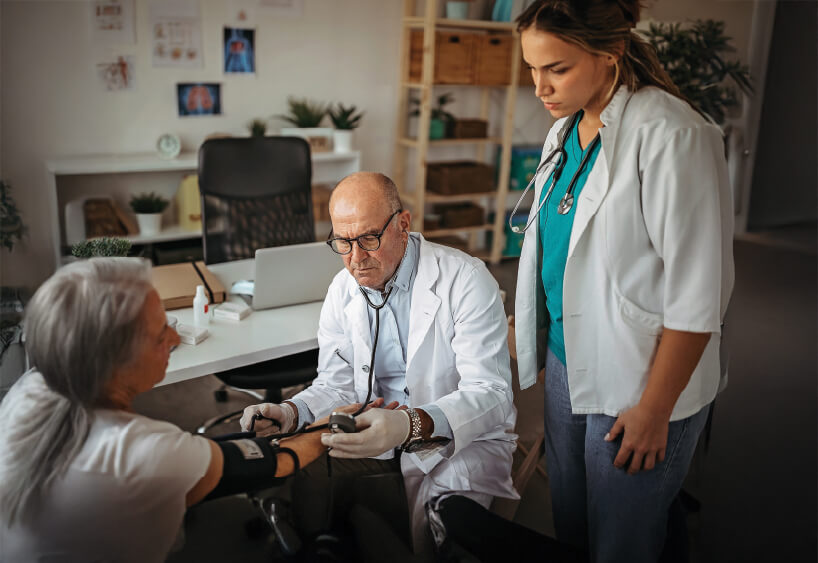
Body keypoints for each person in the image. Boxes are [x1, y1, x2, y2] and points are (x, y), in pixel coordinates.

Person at [512, 1, 734, 562]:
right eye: (532, 69)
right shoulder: (565, 130)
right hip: (568, 359)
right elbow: (561, 246)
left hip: (640, 376)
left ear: (609, 52)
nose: (540, 87)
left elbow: (699, 296)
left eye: (556, 69)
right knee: (574, 522)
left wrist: (656, 410)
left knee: (621, 541)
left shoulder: (673, 135)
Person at [240, 172, 517, 552]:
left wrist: (409, 424)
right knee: (304, 470)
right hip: (372, 432)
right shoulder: (342, 289)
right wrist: (290, 411)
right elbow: (335, 384)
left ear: (403, 224)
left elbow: (492, 394)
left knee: (448, 539)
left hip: (454, 442)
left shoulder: (465, 280)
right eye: (342, 242)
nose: (356, 260)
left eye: (369, 239)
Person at [0, 258, 333, 563]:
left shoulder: (28, 389)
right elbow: (274, 462)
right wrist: (334, 426)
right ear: (116, 361)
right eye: (161, 333)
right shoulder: (147, 451)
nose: (175, 338)